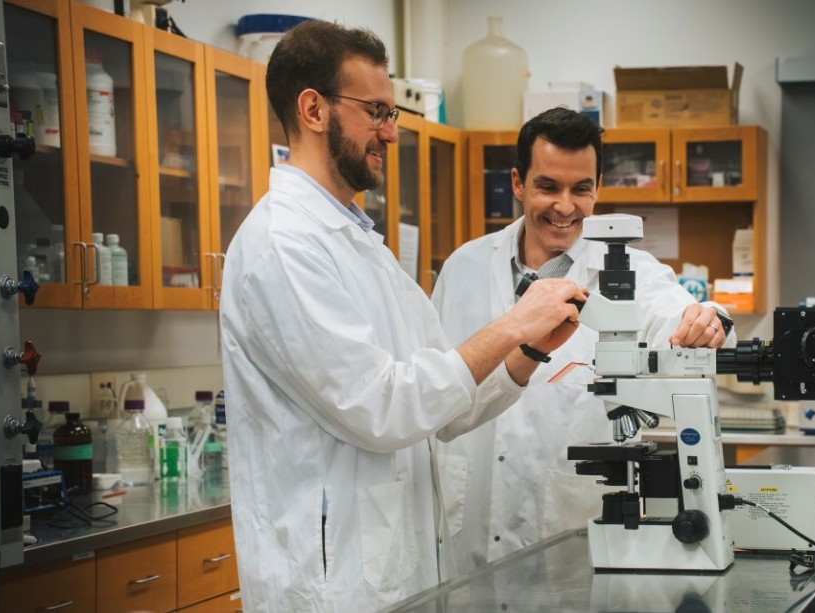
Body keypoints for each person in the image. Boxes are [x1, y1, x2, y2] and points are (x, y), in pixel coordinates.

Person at [219, 22, 587, 613]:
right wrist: (514, 323)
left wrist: (528, 352)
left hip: (395, 576)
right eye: (377, 111)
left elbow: (442, 396)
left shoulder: (360, 245)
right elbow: (381, 407)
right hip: (332, 585)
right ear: (313, 109)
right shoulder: (282, 245)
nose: (391, 132)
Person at [432, 107, 738, 575]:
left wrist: (706, 318)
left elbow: (678, 313)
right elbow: (437, 383)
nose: (565, 206)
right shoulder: (463, 268)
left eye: (581, 189)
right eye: (548, 187)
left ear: (598, 188)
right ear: (518, 183)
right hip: (468, 532)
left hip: (571, 534)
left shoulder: (630, 272)